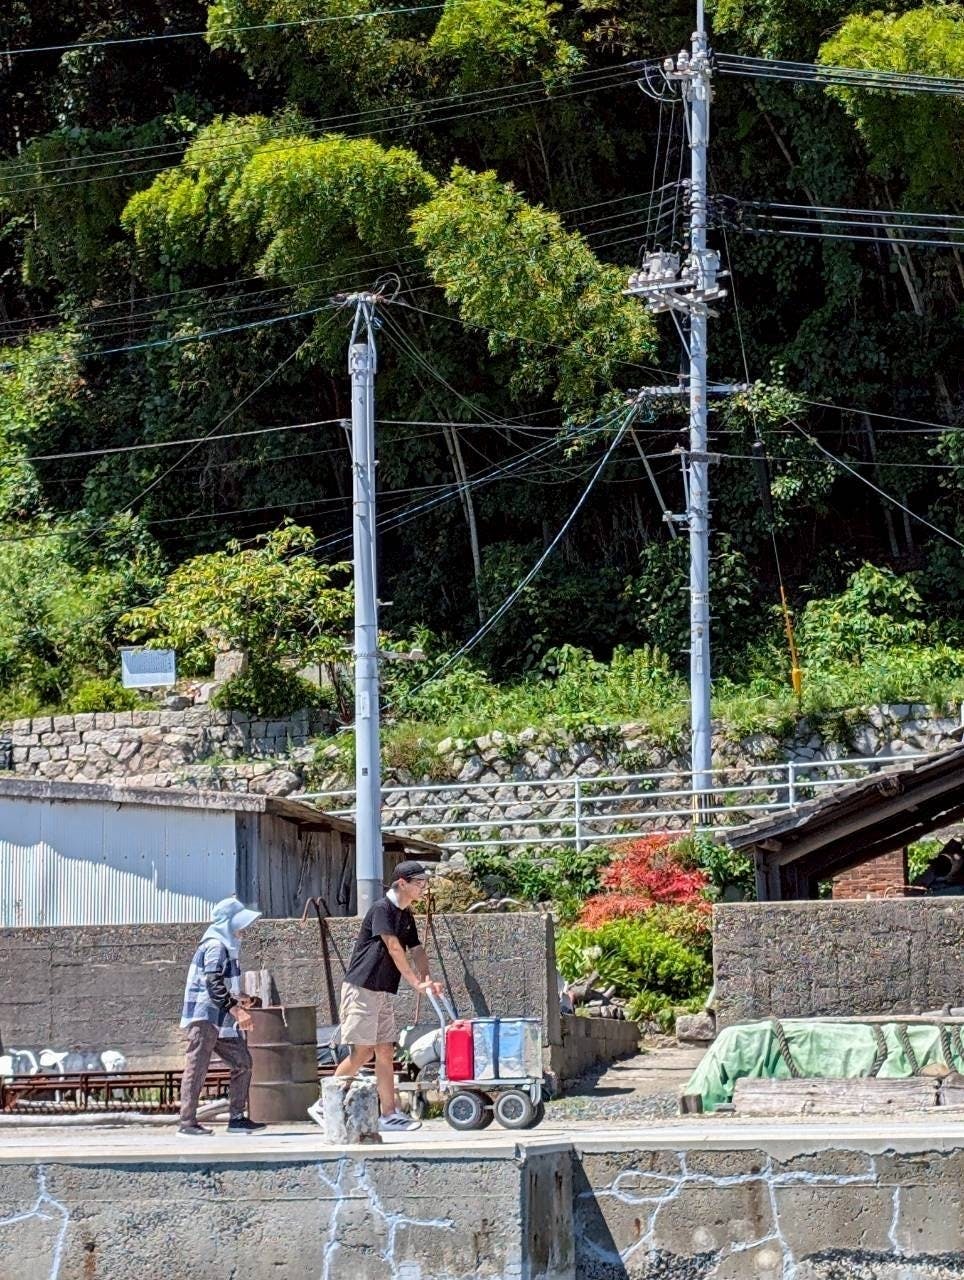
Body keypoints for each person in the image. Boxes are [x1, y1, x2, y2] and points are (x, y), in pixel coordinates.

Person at [317, 860, 443, 1134]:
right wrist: (414, 983)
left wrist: (426, 978)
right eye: (419, 882)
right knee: (362, 1052)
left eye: (425, 882)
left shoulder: (406, 914)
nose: (423, 887)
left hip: (381, 990)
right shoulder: (381, 909)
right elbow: (394, 947)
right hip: (362, 988)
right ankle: (324, 1103)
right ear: (402, 883)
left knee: (385, 1050)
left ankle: (389, 1113)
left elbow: (417, 949)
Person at [178, 896, 267, 1136]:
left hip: (221, 1018)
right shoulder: (216, 946)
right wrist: (237, 1010)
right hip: (205, 1016)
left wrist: (242, 998)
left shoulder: (227, 948)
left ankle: (236, 1118)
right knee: (197, 1066)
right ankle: (187, 1123)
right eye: (240, 925)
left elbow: (223, 985)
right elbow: (213, 983)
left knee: (242, 1062)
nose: (243, 931)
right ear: (228, 924)